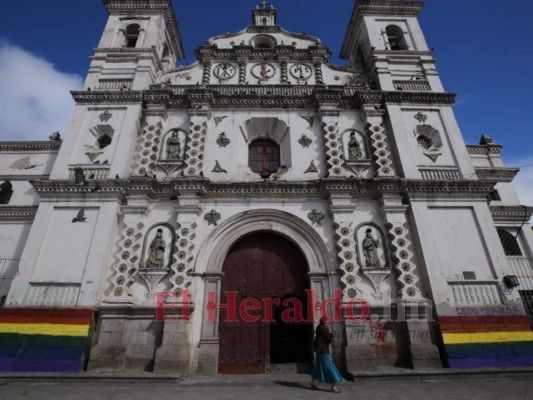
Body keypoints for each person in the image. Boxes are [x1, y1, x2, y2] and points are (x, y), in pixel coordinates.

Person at [309, 318, 343, 393]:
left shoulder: (318, 327)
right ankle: (333, 387)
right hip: (323, 351)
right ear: (325, 322)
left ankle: (312, 383)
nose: (328, 322)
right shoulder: (324, 329)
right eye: (327, 321)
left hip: (318, 350)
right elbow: (328, 340)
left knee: (319, 366)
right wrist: (331, 335)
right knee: (330, 367)